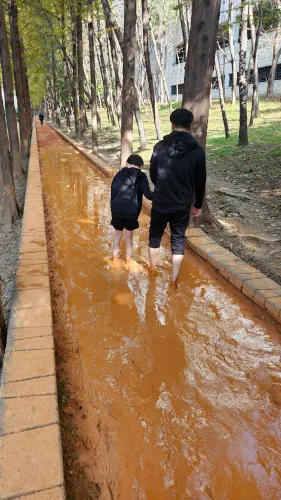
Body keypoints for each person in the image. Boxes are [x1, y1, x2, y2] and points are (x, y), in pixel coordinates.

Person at [148, 108, 206, 285]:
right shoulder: (197, 151)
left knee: (155, 235)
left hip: (161, 201)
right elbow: (200, 180)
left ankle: (152, 269)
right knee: (178, 239)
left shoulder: (159, 146)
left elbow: (153, 173)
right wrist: (197, 204)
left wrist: (162, 187)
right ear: (190, 125)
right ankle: (174, 278)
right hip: (182, 203)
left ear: (172, 123)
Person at [111, 154, 153, 265]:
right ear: (140, 166)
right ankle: (128, 262)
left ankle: (114, 260)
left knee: (117, 236)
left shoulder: (118, 175)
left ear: (127, 164)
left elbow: (113, 193)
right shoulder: (141, 176)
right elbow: (148, 195)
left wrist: (114, 210)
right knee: (129, 237)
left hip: (117, 211)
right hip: (132, 212)